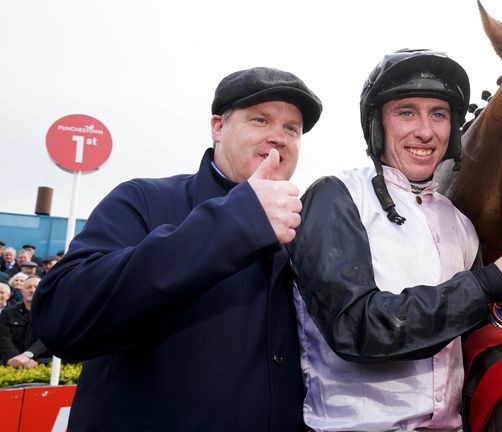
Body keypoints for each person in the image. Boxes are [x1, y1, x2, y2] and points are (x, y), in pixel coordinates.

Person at [290, 49, 502, 432]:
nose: (425, 131)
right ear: (377, 125)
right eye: (406, 112)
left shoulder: (460, 224)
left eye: (438, 115)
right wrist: (493, 281)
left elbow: (458, 325)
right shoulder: (335, 196)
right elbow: (355, 328)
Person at [32, 66, 323, 431]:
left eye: (291, 129)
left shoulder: (307, 230)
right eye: (260, 120)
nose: (278, 137)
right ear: (218, 127)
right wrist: (236, 223)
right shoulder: (143, 200)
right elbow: (63, 318)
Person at [0, 276, 50, 368]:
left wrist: (27, 355)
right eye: (28, 287)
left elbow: (49, 338)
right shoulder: (7, 313)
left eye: (36, 287)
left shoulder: (52, 312)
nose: (32, 290)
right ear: (22, 291)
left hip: (43, 365)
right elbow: (3, 339)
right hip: (11, 365)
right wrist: (16, 359)